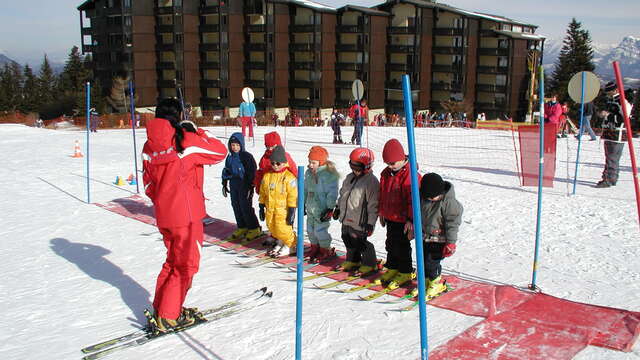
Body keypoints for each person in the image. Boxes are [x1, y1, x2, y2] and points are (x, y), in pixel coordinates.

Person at [142, 98, 227, 333]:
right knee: (186, 265)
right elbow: (219, 151)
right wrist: (197, 130)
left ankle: (165, 308)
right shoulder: (185, 142)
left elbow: (148, 183)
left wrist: (163, 201)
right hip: (187, 216)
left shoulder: (149, 146)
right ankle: (169, 315)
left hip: (165, 214)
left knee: (173, 262)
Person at [377, 139, 420, 289]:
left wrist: (410, 219)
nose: (390, 166)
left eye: (393, 163)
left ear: (402, 159)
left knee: (402, 246)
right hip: (390, 216)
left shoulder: (409, 175)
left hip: (403, 218)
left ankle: (405, 271)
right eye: (388, 163)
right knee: (390, 244)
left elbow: (413, 199)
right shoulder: (386, 173)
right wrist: (381, 211)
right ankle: (393, 267)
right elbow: (382, 193)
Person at [413, 173, 463, 299]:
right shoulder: (424, 197)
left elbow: (453, 223)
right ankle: (425, 281)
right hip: (425, 237)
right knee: (423, 260)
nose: (430, 200)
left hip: (439, 239)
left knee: (431, 263)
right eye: (428, 197)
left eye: (433, 197)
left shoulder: (449, 203)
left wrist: (451, 242)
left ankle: (436, 283)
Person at [333, 147, 380, 275]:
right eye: (352, 166)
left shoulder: (371, 182)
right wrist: (338, 208)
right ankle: (353, 260)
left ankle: (370, 263)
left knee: (360, 242)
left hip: (360, 220)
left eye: (358, 167)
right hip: (346, 217)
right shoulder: (349, 177)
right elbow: (343, 194)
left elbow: (373, 205)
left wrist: (370, 223)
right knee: (346, 238)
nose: (354, 170)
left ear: (367, 166)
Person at [221, 132, 264, 243]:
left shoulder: (246, 157)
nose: (235, 147)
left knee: (245, 206)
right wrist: (224, 182)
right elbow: (226, 170)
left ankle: (254, 228)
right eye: (233, 145)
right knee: (236, 205)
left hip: (244, 185)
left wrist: (251, 185)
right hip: (234, 184)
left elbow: (252, 171)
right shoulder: (230, 158)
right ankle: (242, 226)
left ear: (242, 145)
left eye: (237, 145)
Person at [258, 145, 298, 257]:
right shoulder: (267, 176)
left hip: (283, 210)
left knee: (283, 229)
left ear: (284, 163)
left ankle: (291, 244)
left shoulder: (289, 178)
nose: (275, 166)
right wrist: (261, 205)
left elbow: (292, 195)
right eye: (273, 163)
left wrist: (291, 210)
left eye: (278, 163)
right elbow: (263, 192)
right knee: (272, 227)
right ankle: (281, 242)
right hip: (271, 208)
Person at [303, 146, 340, 263]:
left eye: (313, 162)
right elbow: (304, 189)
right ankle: (315, 247)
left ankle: (325, 249)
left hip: (322, 209)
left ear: (321, 162)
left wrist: (330, 208)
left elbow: (332, 193)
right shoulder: (308, 173)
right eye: (309, 162)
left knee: (320, 230)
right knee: (310, 229)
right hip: (310, 206)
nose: (310, 165)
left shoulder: (328, 175)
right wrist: (303, 203)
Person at [596, 82, 633, 188]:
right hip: (609, 132)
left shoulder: (622, 101)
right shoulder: (612, 101)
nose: (608, 94)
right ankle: (607, 177)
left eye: (609, 92)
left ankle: (610, 179)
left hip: (617, 133)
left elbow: (624, 118)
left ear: (616, 90)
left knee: (613, 157)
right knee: (609, 157)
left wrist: (608, 115)